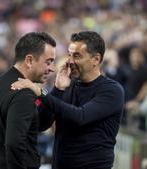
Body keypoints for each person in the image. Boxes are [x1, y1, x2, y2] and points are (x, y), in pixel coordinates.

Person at [11, 31, 124, 169]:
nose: (69, 61)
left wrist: (41, 93)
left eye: (77, 56)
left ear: (95, 59)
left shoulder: (112, 90)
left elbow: (80, 116)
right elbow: (41, 124)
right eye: (69, 55)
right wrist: (57, 90)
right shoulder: (67, 86)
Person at [0, 32, 56, 169]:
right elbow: (14, 143)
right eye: (48, 62)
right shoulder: (24, 93)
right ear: (29, 60)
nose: (51, 68)